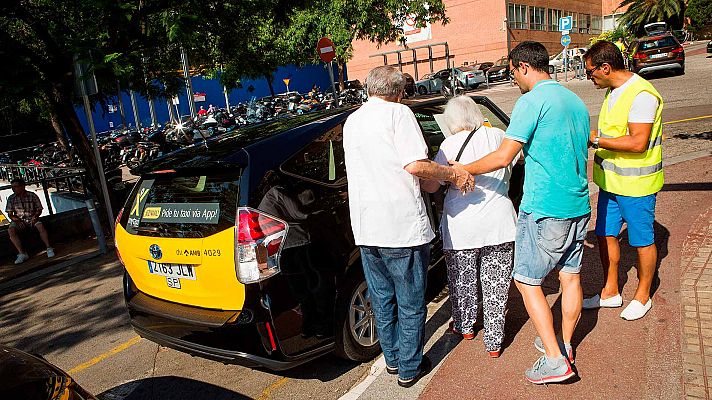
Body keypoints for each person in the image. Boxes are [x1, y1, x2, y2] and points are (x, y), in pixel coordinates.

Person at [452, 41, 590, 384]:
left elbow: (502, 156)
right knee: (570, 276)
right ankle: (566, 346)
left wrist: (462, 168)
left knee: (526, 281)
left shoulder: (531, 101)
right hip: (580, 203)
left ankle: (556, 360)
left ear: (524, 66)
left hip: (545, 207)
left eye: (512, 71)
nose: (513, 78)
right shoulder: (574, 100)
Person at [343, 65, 473, 388]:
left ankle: (392, 359)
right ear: (399, 93)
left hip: (366, 226)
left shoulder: (352, 121)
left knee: (382, 297)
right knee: (411, 300)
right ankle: (409, 368)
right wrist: (452, 174)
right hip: (400, 226)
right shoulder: (398, 115)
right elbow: (415, 164)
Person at [421, 96, 517, 358]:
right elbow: (516, 161)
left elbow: (433, 185)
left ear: (450, 120)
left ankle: (466, 326)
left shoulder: (448, 145)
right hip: (499, 222)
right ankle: (495, 341)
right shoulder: (498, 136)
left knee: (462, 280)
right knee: (496, 284)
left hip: (461, 225)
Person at [582, 41, 664, 321]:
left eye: (590, 72)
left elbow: (638, 142)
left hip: (636, 185)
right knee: (606, 234)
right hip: (611, 184)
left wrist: (595, 139)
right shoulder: (613, 90)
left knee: (642, 240)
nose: (589, 77)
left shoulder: (641, 94)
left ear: (606, 68)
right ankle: (610, 291)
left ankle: (643, 295)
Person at [5, 178, 55, 264]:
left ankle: (48, 247)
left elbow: (39, 209)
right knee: (11, 230)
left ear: (22, 186)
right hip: (19, 219)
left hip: (32, 217)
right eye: (12, 187)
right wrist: (17, 221)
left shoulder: (32, 195)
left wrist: (35, 216)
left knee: (40, 226)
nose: (14, 189)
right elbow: (10, 214)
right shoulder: (11, 198)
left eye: (16, 187)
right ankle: (21, 253)